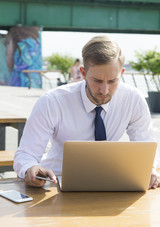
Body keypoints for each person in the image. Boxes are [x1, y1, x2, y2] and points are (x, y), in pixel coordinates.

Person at [14, 35, 160, 189]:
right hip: (55, 185)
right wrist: (30, 168)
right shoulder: (52, 102)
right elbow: (26, 155)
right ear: (83, 73)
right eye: (97, 80)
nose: (105, 90)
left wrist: (149, 170)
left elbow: (147, 148)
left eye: (112, 81)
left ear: (122, 73)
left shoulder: (133, 100)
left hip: (110, 184)